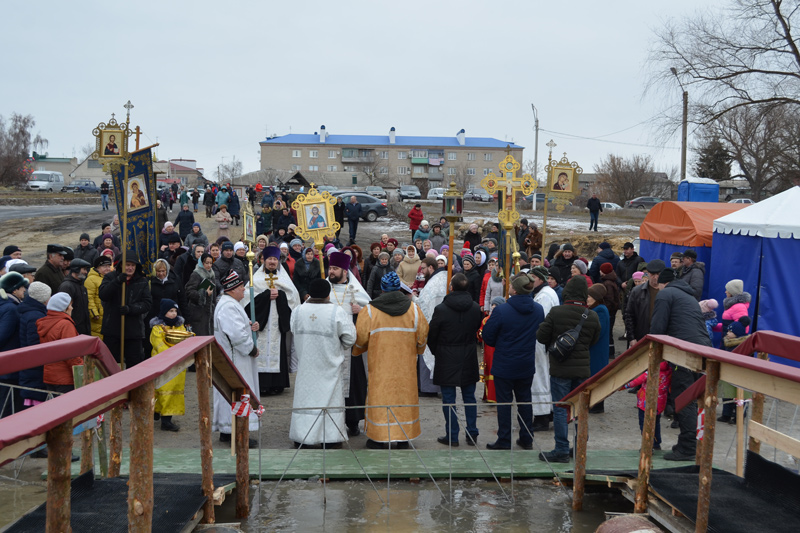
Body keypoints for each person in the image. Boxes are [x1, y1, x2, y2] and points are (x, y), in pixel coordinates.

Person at [354, 271, 429, 448]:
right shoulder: (414, 310)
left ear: (382, 289)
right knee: (405, 398)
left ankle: (379, 438)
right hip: (406, 369)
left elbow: (361, 338)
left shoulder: (370, 311)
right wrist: (418, 350)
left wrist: (359, 350)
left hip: (380, 368)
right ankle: (404, 438)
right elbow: (423, 336)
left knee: (380, 398)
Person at [536, 276, 601, 463]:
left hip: (560, 368)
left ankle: (561, 450)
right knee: (581, 410)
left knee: (560, 409)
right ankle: (579, 447)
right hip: (582, 370)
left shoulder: (557, 312)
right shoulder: (592, 315)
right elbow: (593, 340)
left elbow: (541, 336)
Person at [649, 268, 711, 461]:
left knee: (684, 398)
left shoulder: (666, 294)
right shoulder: (688, 296)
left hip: (684, 352)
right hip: (703, 350)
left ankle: (688, 446)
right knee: (695, 397)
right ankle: (695, 443)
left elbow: (658, 327)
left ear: (661, 282)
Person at [289, 278, 357, 448]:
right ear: (328, 294)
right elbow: (350, 338)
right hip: (329, 367)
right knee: (330, 401)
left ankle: (303, 437)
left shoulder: (298, 311)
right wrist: (336, 347)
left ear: (309, 293)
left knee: (305, 400)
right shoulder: (337, 311)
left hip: (306, 368)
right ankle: (330, 439)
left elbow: (293, 330)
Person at [482, 273, 545, 450]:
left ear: (515, 289)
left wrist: (501, 344)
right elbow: (539, 333)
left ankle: (504, 439)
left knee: (504, 403)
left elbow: (488, 336)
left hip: (505, 363)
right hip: (525, 362)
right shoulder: (538, 310)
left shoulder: (502, 310)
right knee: (525, 401)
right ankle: (526, 438)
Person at [427, 273, 483, 447]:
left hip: (447, 355)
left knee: (449, 399)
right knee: (469, 397)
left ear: (451, 287)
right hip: (467, 354)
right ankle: (472, 432)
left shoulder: (441, 309)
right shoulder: (474, 308)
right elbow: (475, 329)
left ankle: (452, 435)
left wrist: (438, 351)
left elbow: (432, 335)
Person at [243, 246, 300, 396]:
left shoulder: (284, 279)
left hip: (277, 324)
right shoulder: (256, 279)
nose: (272, 262)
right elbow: (247, 302)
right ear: (264, 260)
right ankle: (261, 384)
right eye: (270, 259)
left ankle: (277, 384)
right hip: (261, 323)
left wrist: (280, 295)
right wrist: (266, 296)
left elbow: (293, 299)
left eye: (275, 259)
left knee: (277, 349)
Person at [212, 271, 260, 448]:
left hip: (234, 357)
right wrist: (252, 349)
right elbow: (237, 335)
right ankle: (236, 431)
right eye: (241, 288)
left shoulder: (230, 304)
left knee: (232, 395)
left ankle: (229, 430)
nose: (244, 291)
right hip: (235, 359)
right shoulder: (228, 307)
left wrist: (250, 326)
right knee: (238, 392)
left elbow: (239, 327)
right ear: (232, 289)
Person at [327, 251, 371, 437]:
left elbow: (371, 312)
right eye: (330, 268)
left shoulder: (355, 290)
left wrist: (360, 311)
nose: (332, 272)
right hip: (329, 345)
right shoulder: (324, 290)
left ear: (345, 271)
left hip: (351, 347)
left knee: (354, 385)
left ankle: (353, 421)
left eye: (335, 269)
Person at [99, 253, 152, 368]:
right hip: (112, 329)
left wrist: (130, 309)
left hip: (133, 331)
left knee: (134, 364)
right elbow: (103, 295)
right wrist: (117, 281)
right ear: (121, 266)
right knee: (111, 364)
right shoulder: (110, 277)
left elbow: (147, 304)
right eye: (127, 265)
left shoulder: (142, 281)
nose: (130, 268)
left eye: (133, 265)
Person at [529, 266, 561, 431]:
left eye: (533, 277)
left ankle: (541, 416)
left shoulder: (545, 296)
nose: (531, 280)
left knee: (539, 377)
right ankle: (547, 412)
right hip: (542, 342)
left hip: (540, 343)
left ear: (540, 279)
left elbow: (542, 322)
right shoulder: (544, 293)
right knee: (543, 376)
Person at [149, 299, 188, 432]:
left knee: (172, 391)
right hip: (162, 364)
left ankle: (166, 418)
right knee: (162, 390)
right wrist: (172, 354)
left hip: (177, 365)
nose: (173, 314)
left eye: (175, 311)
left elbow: (185, 341)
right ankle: (161, 415)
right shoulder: (157, 328)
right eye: (170, 311)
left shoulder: (180, 326)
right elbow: (159, 345)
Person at [417, 252, 450, 397]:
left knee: (429, 354)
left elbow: (424, 303)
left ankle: (429, 388)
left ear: (431, 267)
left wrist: (412, 298)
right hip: (443, 325)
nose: (422, 272)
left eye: (423, 269)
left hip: (433, 324)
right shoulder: (441, 278)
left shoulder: (433, 283)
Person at [38, 292, 83, 395]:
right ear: (64, 308)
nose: (72, 308)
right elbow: (71, 353)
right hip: (65, 377)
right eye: (70, 305)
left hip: (50, 376)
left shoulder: (45, 323)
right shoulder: (65, 324)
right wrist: (80, 373)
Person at [622, 360, 673, 450]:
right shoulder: (669, 371)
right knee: (656, 423)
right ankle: (656, 444)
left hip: (645, 403)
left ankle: (648, 445)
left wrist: (624, 386)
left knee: (645, 424)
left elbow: (636, 381)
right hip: (659, 403)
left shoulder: (651, 371)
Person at [17, 282, 51, 412]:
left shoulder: (31, 312)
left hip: (30, 369)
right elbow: (34, 344)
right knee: (35, 406)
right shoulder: (35, 316)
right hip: (34, 370)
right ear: (43, 298)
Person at [0, 272, 29, 417]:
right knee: (7, 407)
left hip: (7, 366)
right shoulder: (11, 309)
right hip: (8, 368)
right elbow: (2, 336)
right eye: (22, 287)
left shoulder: (8, 306)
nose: (24, 289)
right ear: (14, 290)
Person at [625, 259, 666, 343]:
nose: (655, 277)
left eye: (658, 274)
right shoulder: (637, 291)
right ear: (648, 274)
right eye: (652, 274)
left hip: (662, 338)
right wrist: (631, 338)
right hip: (641, 337)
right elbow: (629, 315)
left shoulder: (668, 291)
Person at [586, 284, 610, 414]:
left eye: (589, 296)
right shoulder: (596, 309)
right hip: (596, 349)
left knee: (596, 376)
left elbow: (598, 331)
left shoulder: (600, 310)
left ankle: (598, 404)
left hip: (597, 350)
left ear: (596, 298)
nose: (587, 299)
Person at [56, 258, 91, 336]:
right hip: (73, 330)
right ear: (76, 269)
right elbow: (64, 310)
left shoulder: (81, 286)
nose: (86, 272)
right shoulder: (67, 287)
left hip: (83, 330)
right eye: (84, 269)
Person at [86, 255, 112, 339]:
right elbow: (89, 297)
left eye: (108, 266)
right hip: (97, 315)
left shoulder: (109, 278)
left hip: (107, 313)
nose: (107, 268)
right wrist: (93, 312)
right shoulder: (91, 279)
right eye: (104, 266)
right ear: (97, 267)